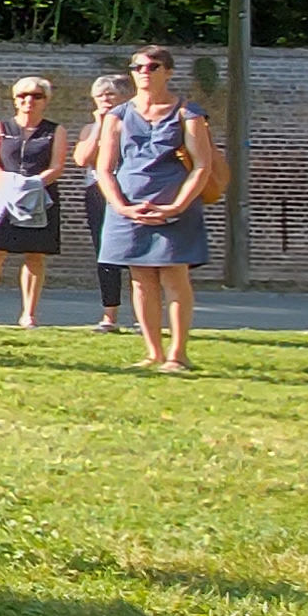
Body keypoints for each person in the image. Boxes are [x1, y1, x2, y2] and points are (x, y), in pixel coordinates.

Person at [93, 47, 220, 374]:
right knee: (140, 280)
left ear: (169, 72)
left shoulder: (187, 112)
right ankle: (152, 352)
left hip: (174, 203)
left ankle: (178, 354)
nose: (144, 72)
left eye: (153, 66)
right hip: (128, 205)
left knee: (175, 278)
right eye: (138, 67)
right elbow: (104, 168)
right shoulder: (117, 115)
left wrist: (177, 205)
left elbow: (202, 166)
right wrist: (121, 206)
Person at [0, 75, 65, 331]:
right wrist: (8, 184)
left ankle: (29, 314)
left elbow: (57, 167)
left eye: (36, 96)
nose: (28, 101)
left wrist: (33, 185)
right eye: (23, 96)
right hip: (4, 198)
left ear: (46, 101)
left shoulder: (55, 131)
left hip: (40, 198)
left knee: (35, 256)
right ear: (15, 100)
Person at [78, 70, 135, 333]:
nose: (104, 99)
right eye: (99, 95)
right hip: (99, 192)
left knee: (138, 255)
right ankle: (109, 315)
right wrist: (101, 126)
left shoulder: (137, 124)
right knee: (106, 253)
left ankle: (143, 315)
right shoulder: (91, 128)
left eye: (110, 94)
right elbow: (82, 159)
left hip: (131, 190)